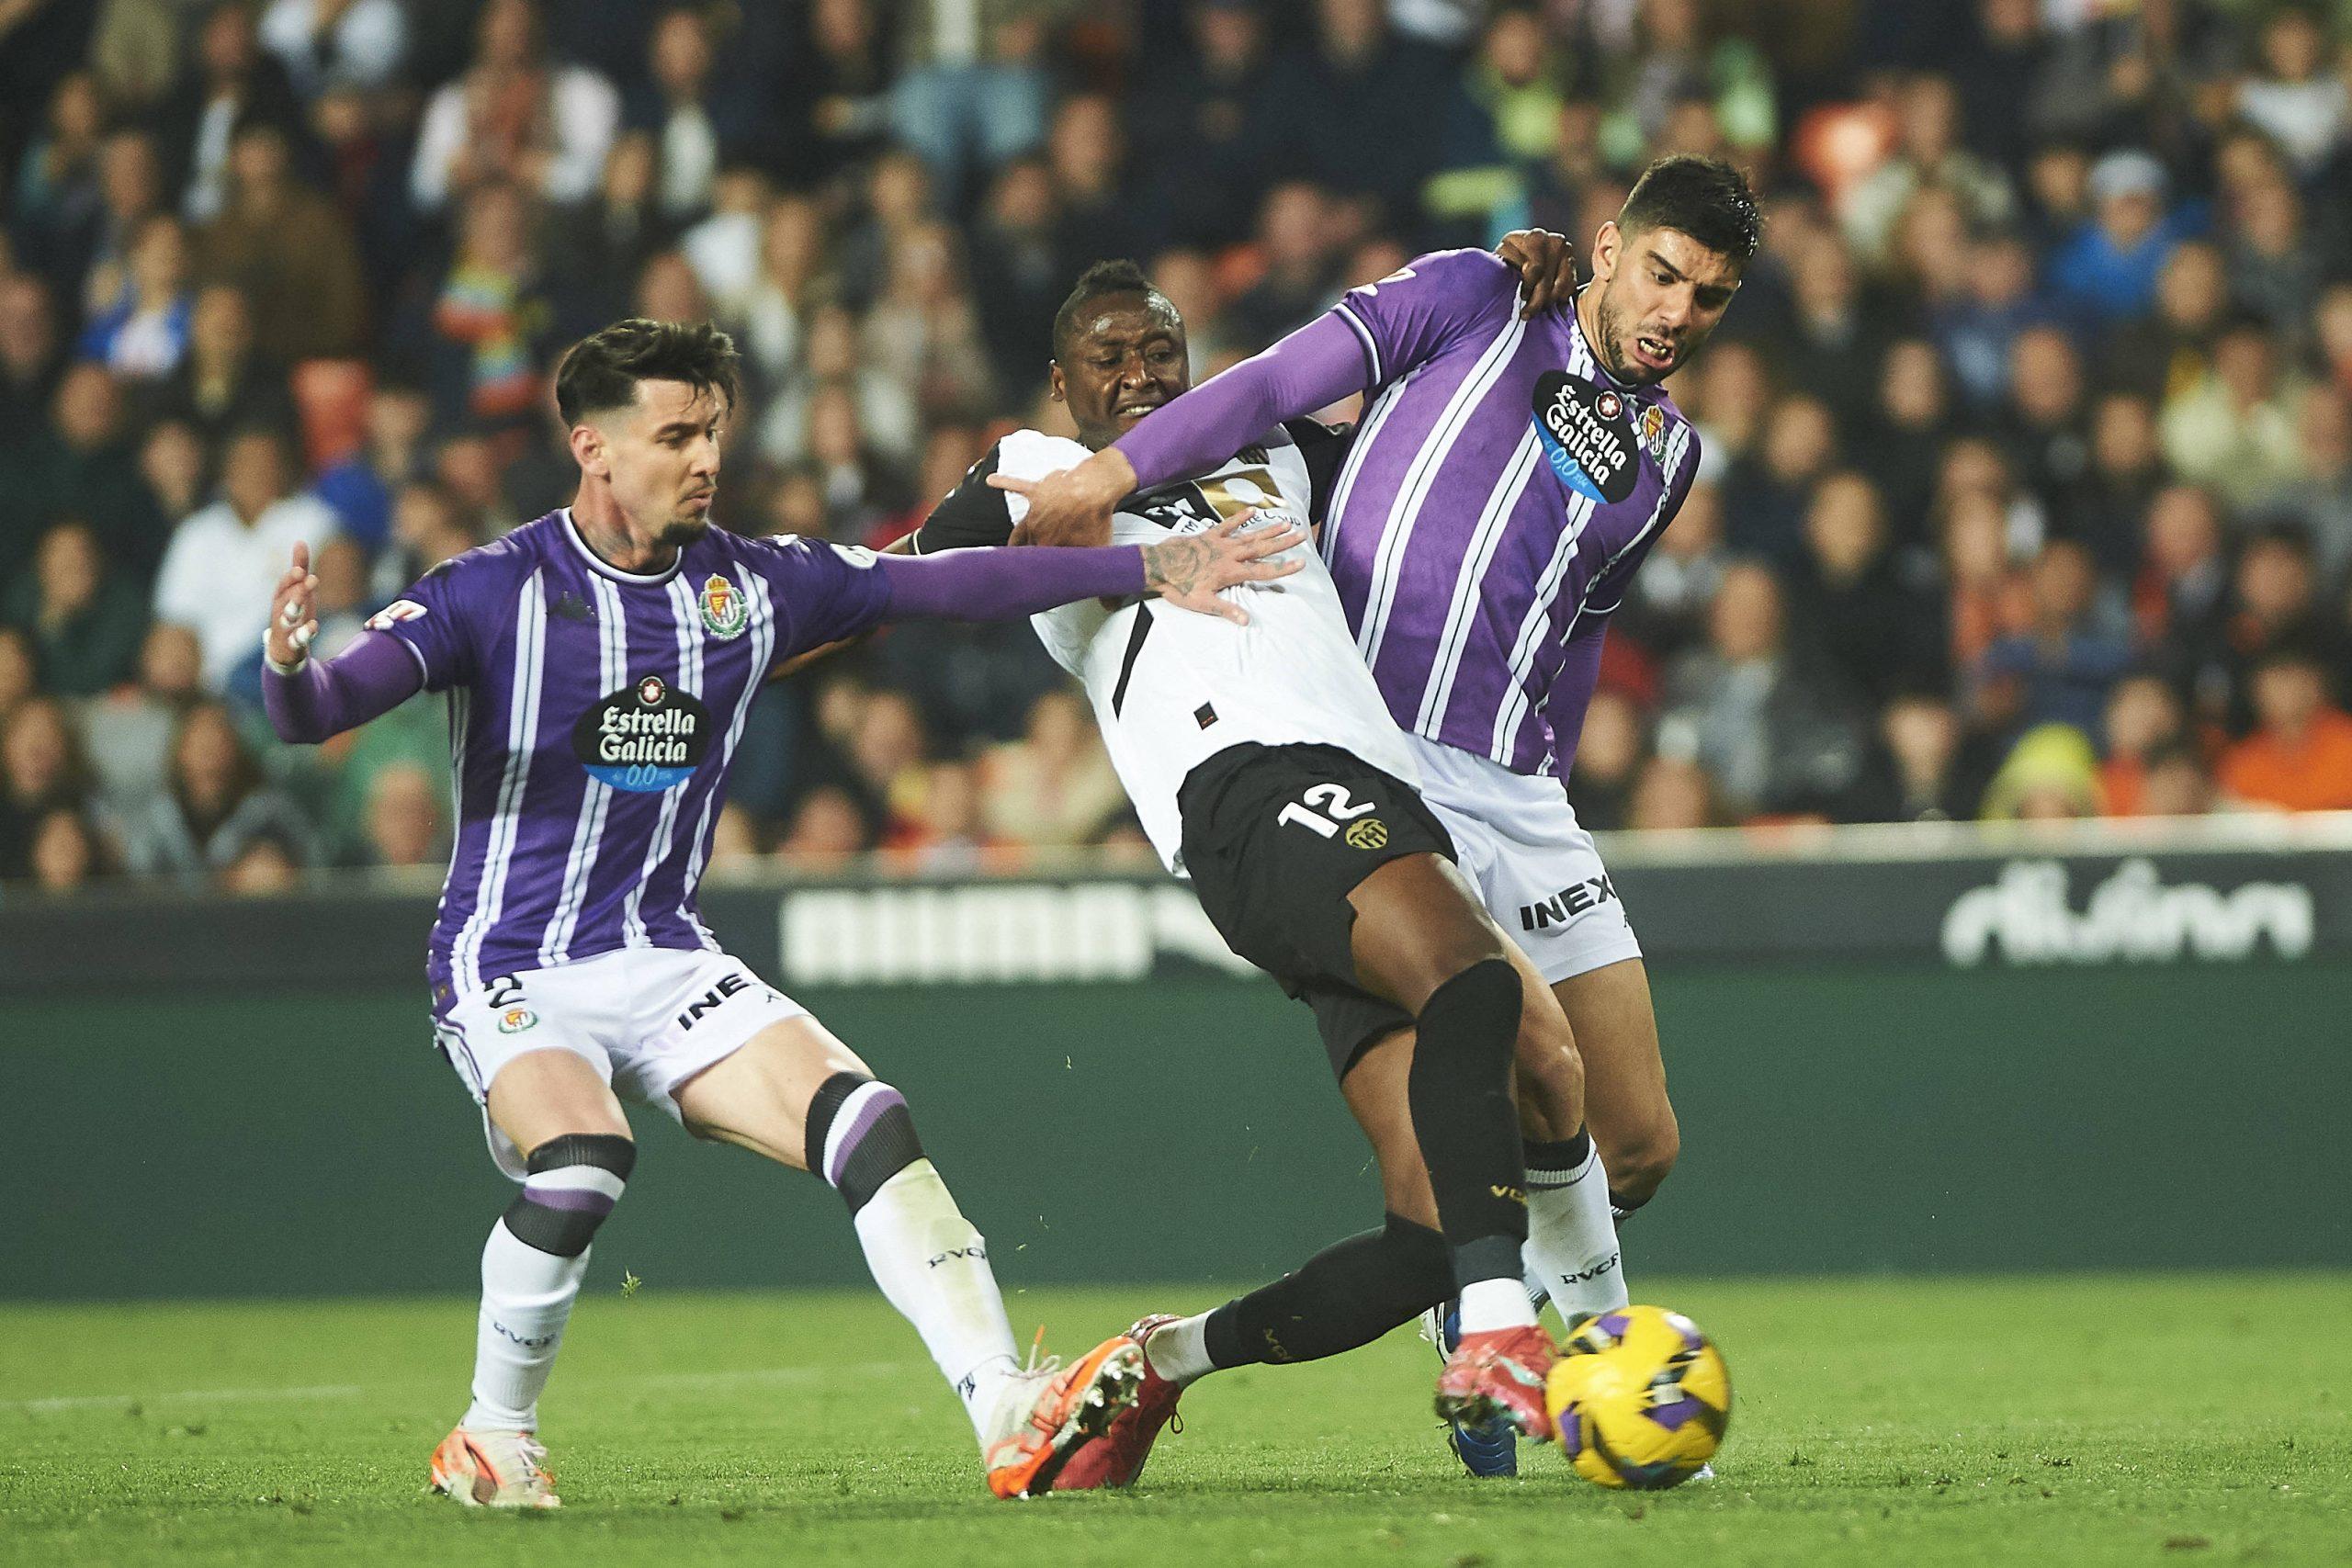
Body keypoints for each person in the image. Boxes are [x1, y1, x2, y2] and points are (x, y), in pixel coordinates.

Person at [256, 317, 1299, 1506]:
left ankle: (1008, 1411)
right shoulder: (495, 593)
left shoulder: (750, 585)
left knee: (871, 1124)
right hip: (514, 964)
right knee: (586, 1157)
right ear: (593, 447)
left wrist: (1146, 567)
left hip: (659, 954)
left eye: (713, 431)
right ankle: (493, 1436)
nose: (704, 457)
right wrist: (291, 671)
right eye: (674, 435)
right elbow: (320, 708)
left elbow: (955, 582)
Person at [1000, 155, 1758, 1476]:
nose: (1676, 312)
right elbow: (1275, 385)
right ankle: (1584, 1361)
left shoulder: (1668, 459)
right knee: (1529, 1056)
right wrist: (1116, 467)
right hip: (1374, 750)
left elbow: (1578, 625)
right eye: (1660, 274)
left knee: (1636, 1145)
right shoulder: (1478, 296)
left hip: (1518, 788)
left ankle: (1486, 1290)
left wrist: (1550, 777)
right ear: (1607, 247)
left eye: (1710, 298)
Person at [901, 238, 1624, 1485]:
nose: (1138, 374)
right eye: (1107, 357)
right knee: (1476, 984)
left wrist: (1536, 295)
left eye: (1159, 350)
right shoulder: (1038, 473)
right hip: (1245, 781)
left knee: (1428, 1230)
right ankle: (1507, 1331)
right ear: (1061, 386)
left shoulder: (1279, 450)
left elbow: (1454, 437)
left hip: (1367, 799)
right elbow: (898, 589)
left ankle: (1156, 1364)